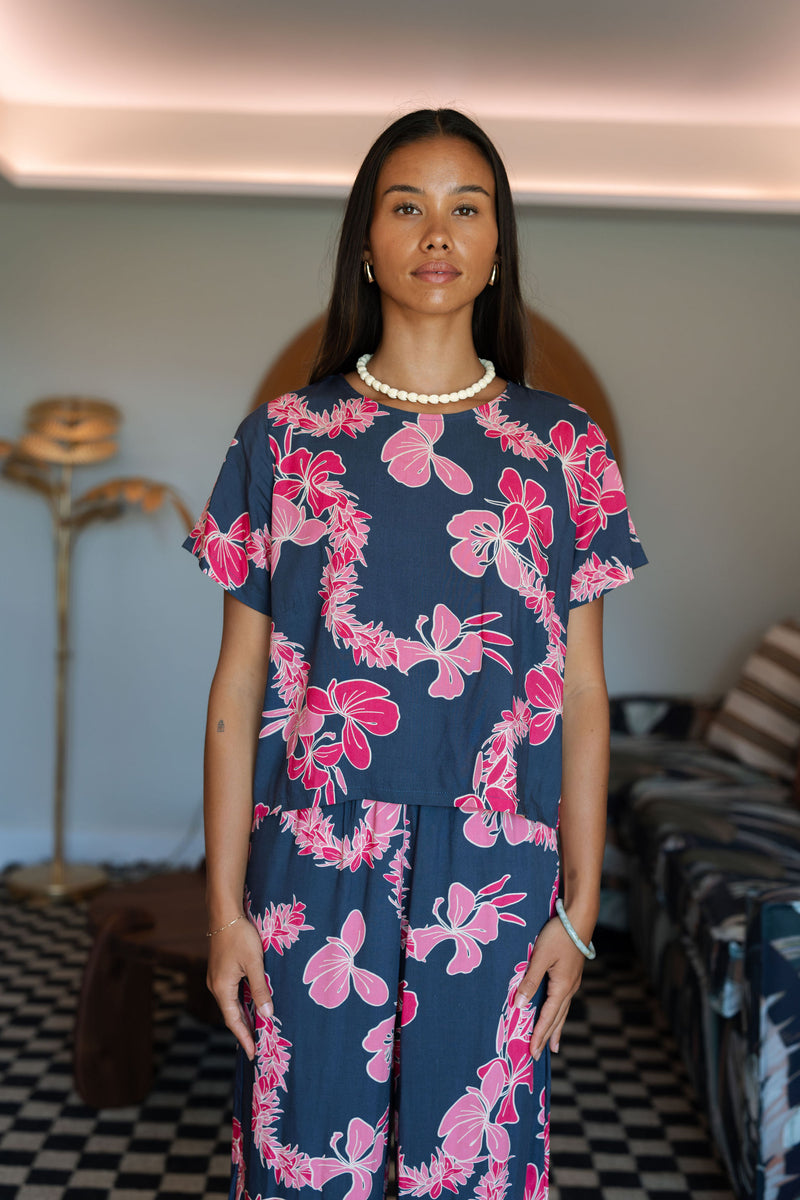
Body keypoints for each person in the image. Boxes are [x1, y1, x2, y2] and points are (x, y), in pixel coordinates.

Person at [185, 107, 646, 1200]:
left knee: (469, 1168)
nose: (435, 232)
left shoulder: (561, 448)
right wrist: (221, 916)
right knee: (309, 1163)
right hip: (311, 861)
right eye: (406, 206)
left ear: (494, 249)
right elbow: (234, 689)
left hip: (494, 875)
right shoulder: (283, 441)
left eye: (463, 208)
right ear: (366, 242)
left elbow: (583, 696)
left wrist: (577, 917)